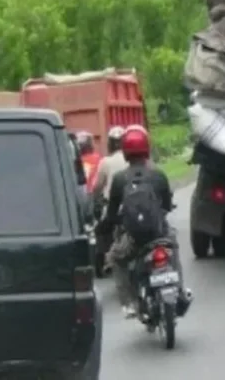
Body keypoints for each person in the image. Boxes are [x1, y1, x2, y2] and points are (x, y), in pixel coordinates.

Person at [97, 125, 177, 318]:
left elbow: (112, 213)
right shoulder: (158, 175)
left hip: (133, 238)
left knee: (115, 258)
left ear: (125, 152)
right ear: (146, 149)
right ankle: (179, 289)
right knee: (173, 250)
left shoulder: (119, 179)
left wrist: (110, 225)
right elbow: (166, 205)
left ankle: (129, 303)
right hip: (159, 234)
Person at [90, 126, 127, 217]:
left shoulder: (105, 162)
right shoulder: (132, 160)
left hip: (112, 207)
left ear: (109, 144)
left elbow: (97, 187)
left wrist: (95, 201)